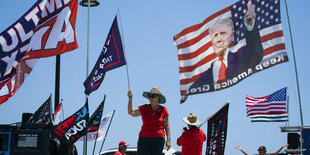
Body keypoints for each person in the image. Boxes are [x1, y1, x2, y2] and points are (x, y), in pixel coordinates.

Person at [189, 1, 263, 91]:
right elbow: (194, 86)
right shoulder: (207, 72)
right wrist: (187, 92)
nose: (219, 39)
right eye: (215, 35)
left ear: (231, 36)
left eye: (223, 34)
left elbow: (256, 54)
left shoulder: (241, 56)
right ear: (211, 40)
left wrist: (250, 26)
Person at [127, 87, 171, 155]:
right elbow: (131, 112)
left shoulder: (163, 110)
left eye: (153, 96)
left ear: (158, 97)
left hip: (158, 139)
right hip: (144, 138)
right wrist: (130, 99)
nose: (150, 98)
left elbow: (167, 126)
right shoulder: (144, 108)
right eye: (149, 96)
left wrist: (168, 140)